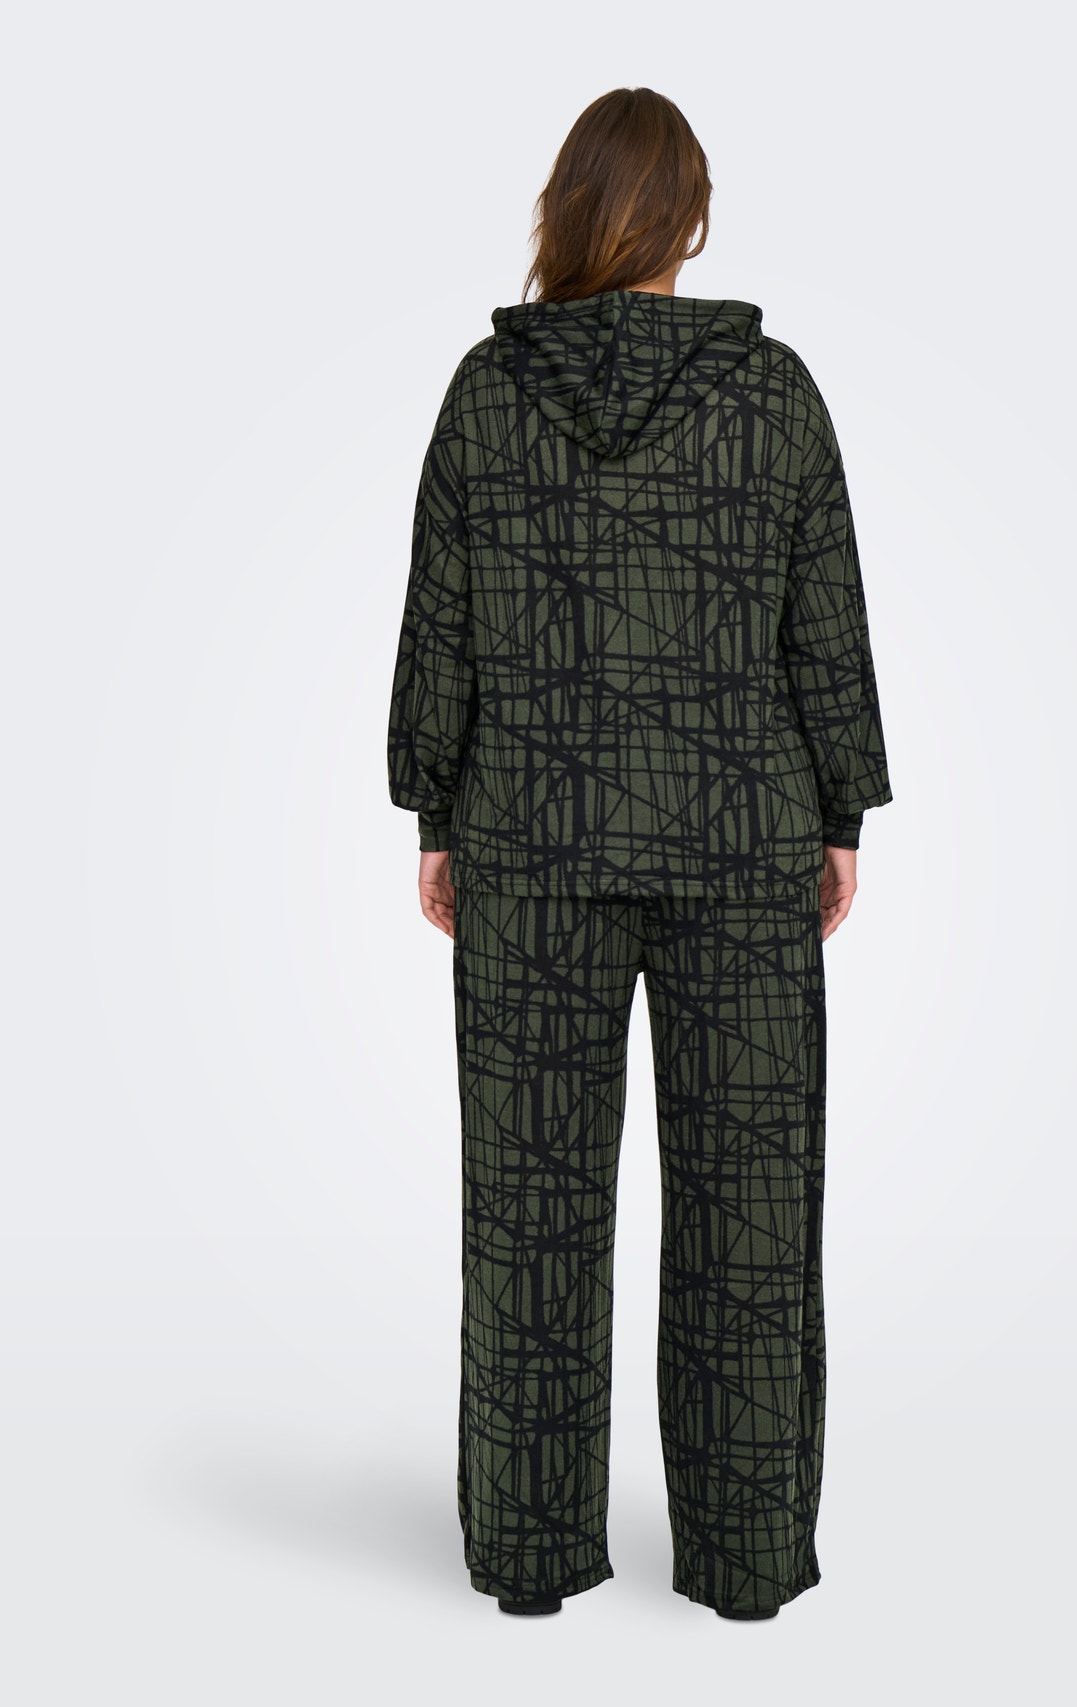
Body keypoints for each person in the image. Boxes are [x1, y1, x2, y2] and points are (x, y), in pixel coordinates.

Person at [386, 86, 894, 1622]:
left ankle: (530, 1557)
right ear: (693, 222)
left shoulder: (491, 393)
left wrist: (438, 811)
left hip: (531, 848)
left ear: (565, 215)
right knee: (752, 1218)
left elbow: (443, 625)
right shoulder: (773, 396)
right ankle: (745, 1562)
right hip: (741, 846)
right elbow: (824, 622)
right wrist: (837, 812)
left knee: (528, 1209)